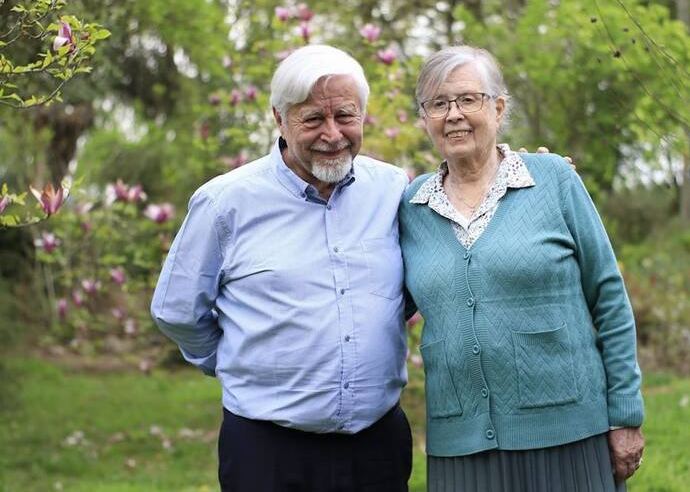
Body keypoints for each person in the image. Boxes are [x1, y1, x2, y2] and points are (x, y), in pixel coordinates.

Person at [151, 44, 412, 492]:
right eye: (313, 119)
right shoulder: (224, 203)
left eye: (346, 116)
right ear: (279, 119)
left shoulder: (392, 190)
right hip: (266, 453)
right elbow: (177, 310)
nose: (333, 134)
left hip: (378, 446)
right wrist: (234, 359)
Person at [399, 46, 645, 492]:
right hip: (461, 443)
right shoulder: (411, 206)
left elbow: (608, 295)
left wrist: (625, 413)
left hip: (569, 433)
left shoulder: (552, 178)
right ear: (424, 119)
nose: (453, 114)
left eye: (468, 99)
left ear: (498, 107)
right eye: (438, 103)